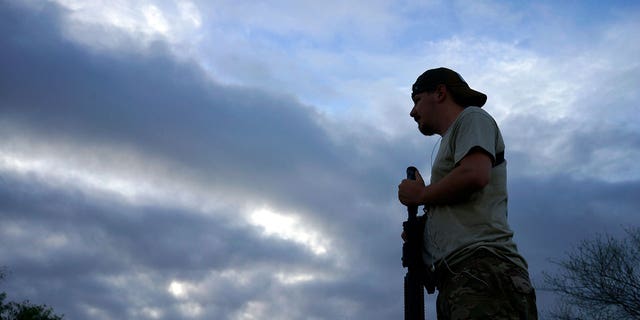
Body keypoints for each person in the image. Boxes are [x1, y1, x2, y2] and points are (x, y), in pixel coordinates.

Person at [398, 67, 538, 319]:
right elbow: (461, 202)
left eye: (417, 100)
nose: (412, 112)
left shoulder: (472, 117)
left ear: (440, 93)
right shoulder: (453, 139)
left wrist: (421, 195)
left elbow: (475, 174)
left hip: (483, 271)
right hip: (459, 278)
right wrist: (424, 232)